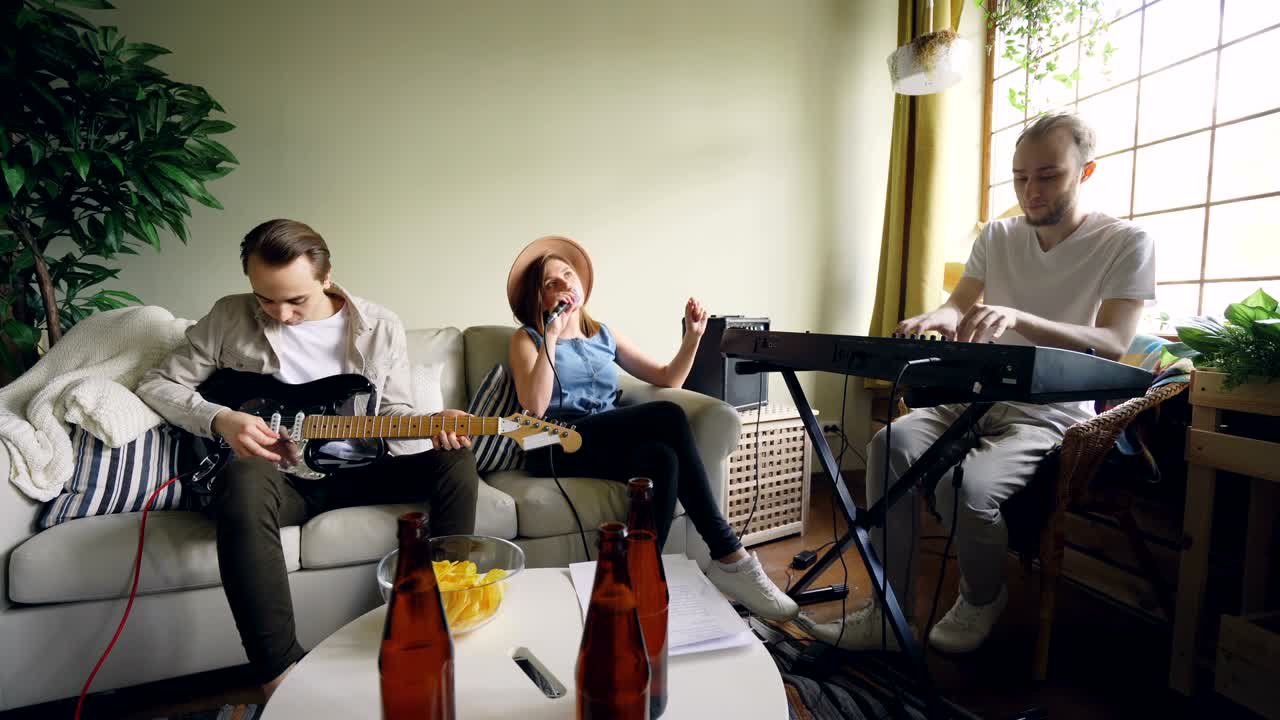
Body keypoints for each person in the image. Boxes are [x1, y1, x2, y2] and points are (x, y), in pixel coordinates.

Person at [801, 112, 1155, 652]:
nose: (1030, 191)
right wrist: (936, 318)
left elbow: (1112, 341)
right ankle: (887, 611)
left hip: (1052, 412)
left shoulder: (1125, 241)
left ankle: (981, 597)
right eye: (1019, 177)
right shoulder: (999, 235)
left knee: (973, 485)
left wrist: (1018, 318)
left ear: (1085, 172)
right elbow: (955, 305)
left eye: (1047, 175)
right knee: (887, 446)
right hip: (977, 395)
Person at [137, 219, 480, 698]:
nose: (281, 313)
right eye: (265, 299)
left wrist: (434, 420)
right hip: (283, 482)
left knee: (457, 460)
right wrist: (221, 419)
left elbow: (393, 411)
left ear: (326, 277)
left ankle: (441, 613)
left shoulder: (379, 325)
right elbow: (158, 382)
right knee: (244, 475)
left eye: (295, 300)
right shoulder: (228, 317)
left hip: (361, 469)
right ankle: (277, 672)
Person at [506, 235, 798, 621]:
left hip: (600, 439)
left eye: (567, 275)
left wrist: (693, 337)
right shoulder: (526, 339)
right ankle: (729, 554)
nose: (563, 286)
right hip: (553, 443)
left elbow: (667, 378)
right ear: (538, 299)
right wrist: (551, 339)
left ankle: (637, 578)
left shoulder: (604, 335)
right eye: (550, 284)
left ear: (581, 285)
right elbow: (534, 405)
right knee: (667, 416)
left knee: (661, 461)